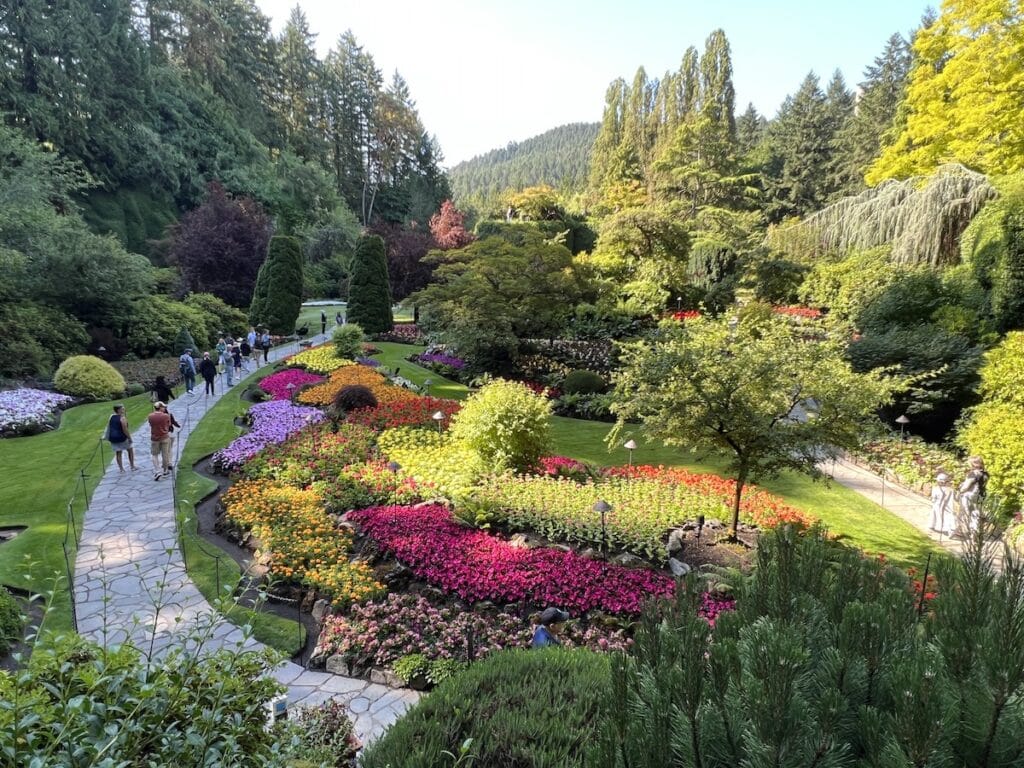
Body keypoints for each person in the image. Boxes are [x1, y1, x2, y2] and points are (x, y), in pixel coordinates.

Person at [958, 456, 989, 535]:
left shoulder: (973, 473)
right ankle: (974, 531)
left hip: (970, 495)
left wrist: (960, 490)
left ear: (973, 464)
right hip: (981, 496)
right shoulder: (986, 474)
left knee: (965, 512)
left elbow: (966, 487)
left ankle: (963, 531)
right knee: (976, 513)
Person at [147, 401, 178, 480]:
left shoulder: (150, 416)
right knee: (165, 454)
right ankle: (165, 470)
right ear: (160, 408)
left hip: (154, 438)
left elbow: (151, 425)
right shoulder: (166, 416)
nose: (165, 408)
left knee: (154, 455)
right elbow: (169, 425)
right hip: (164, 437)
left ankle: (158, 471)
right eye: (163, 407)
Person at [105, 404, 137, 472]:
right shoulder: (122, 418)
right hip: (122, 437)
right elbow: (125, 430)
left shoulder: (111, 417)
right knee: (130, 450)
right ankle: (132, 466)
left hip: (113, 438)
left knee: (118, 453)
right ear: (119, 410)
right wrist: (130, 438)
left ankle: (121, 469)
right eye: (122, 409)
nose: (124, 410)